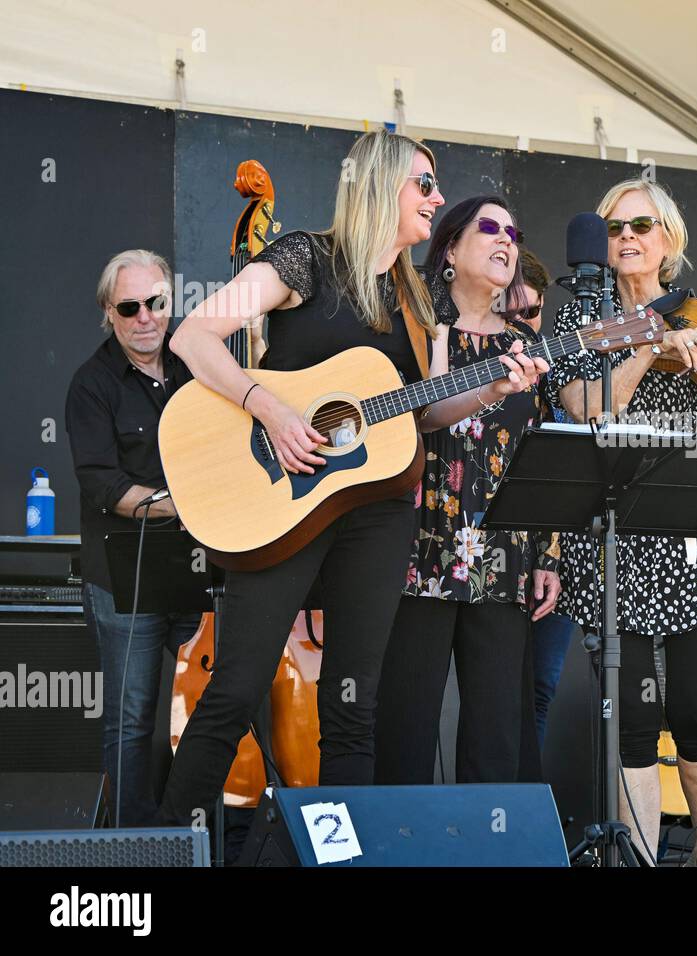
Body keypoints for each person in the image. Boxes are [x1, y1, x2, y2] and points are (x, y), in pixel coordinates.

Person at [158, 132, 545, 827]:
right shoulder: (307, 257)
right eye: (422, 184)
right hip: (282, 497)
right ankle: (161, 848)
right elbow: (191, 337)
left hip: (376, 514)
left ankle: (345, 854)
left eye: (436, 186)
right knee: (235, 690)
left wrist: (491, 390)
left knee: (352, 703)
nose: (437, 198)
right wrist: (268, 408)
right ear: (378, 185)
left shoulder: (418, 300)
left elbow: (424, 413)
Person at [546, 178, 697, 866]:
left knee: (696, 712)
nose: (628, 237)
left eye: (643, 226)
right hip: (614, 533)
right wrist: (646, 347)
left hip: (688, 532)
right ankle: (644, 860)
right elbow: (587, 408)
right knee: (631, 719)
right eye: (615, 227)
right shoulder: (583, 328)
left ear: (668, 241)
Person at [374, 197, 556, 786]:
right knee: (404, 726)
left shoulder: (527, 345)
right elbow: (406, 418)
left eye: (514, 229)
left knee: (497, 735)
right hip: (413, 549)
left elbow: (541, 455)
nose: (507, 239)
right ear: (450, 248)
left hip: (503, 557)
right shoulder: (414, 327)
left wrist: (547, 553)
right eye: (489, 228)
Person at [65, 250, 198, 825]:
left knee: (218, 703)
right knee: (132, 718)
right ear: (108, 311)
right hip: (128, 578)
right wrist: (185, 507)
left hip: (200, 568)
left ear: (171, 301)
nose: (145, 316)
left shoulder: (198, 363)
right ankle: (134, 845)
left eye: (157, 302)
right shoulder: (91, 385)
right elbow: (103, 485)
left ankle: (211, 832)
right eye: (129, 306)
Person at [513, 247, 580, 751]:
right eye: (510, 314)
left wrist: (550, 554)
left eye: (532, 312)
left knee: (538, 689)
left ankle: (523, 817)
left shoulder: (559, 365)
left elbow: (566, 468)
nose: (522, 325)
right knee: (493, 693)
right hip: (490, 551)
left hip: (554, 551)